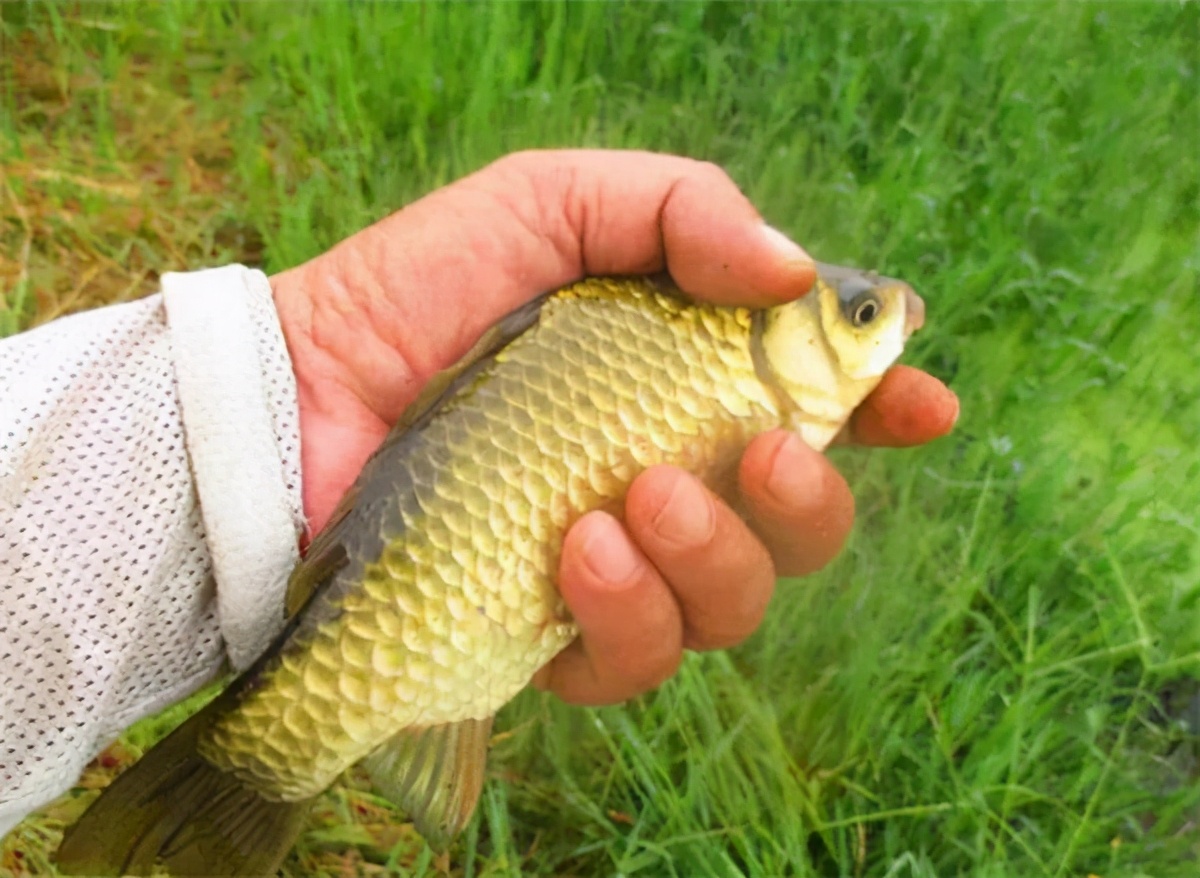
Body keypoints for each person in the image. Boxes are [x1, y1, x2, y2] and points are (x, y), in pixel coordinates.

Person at [0, 150, 957, 837]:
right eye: (859, 313)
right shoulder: (710, 342)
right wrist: (268, 416)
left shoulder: (708, 365)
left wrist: (242, 436)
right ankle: (257, 764)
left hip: (444, 574)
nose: (882, 318)